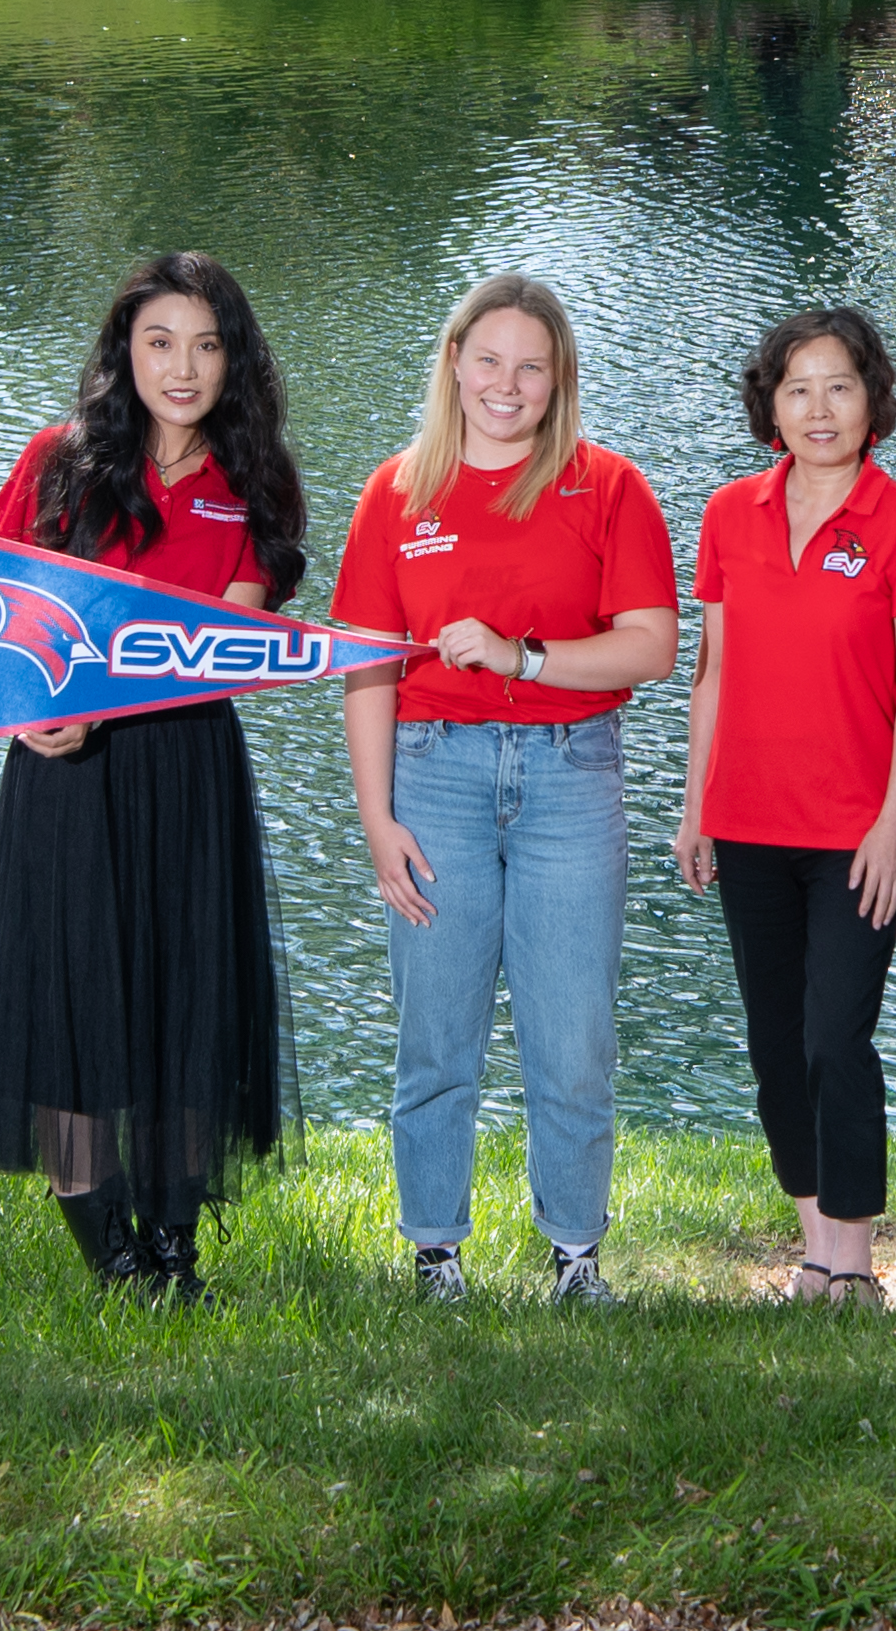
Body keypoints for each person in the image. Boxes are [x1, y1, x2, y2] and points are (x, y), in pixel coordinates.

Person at [0, 251, 307, 1302]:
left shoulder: (253, 482)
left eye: (207, 346)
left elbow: (236, 642)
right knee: (72, 997)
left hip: (187, 771)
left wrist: (138, 679)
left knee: (183, 993)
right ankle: (110, 1251)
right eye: (160, 341)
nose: (182, 366)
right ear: (124, 350)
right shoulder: (56, 461)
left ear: (234, 361)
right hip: (65, 775)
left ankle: (174, 1243)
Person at [333, 273, 676, 1307]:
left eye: (532, 365)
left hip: (572, 774)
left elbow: (652, 646)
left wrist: (524, 657)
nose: (507, 384)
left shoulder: (607, 485)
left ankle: (575, 1253)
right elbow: (363, 663)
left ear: (558, 377)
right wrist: (376, 815)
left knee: (571, 1035)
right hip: (432, 775)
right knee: (436, 1030)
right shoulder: (398, 491)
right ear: (453, 362)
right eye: (488, 359)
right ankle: (435, 1252)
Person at [672, 307, 896, 1306]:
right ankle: (813, 1251)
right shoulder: (727, 515)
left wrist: (891, 820)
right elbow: (710, 668)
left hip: (854, 831)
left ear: (871, 397)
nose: (818, 407)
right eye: (797, 388)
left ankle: (858, 1262)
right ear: (770, 405)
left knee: (837, 1034)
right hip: (745, 819)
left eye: (839, 384)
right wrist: (694, 803)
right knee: (775, 1043)